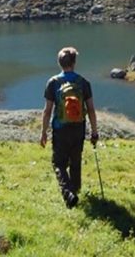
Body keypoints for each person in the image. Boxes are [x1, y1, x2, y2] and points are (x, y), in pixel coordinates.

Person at [40, 46, 99, 208]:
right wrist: (94, 132)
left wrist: (43, 132)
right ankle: (75, 190)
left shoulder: (53, 83)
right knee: (75, 160)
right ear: (74, 63)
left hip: (60, 129)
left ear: (60, 63)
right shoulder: (83, 83)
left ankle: (68, 193)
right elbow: (91, 110)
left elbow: (47, 111)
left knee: (58, 163)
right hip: (78, 128)